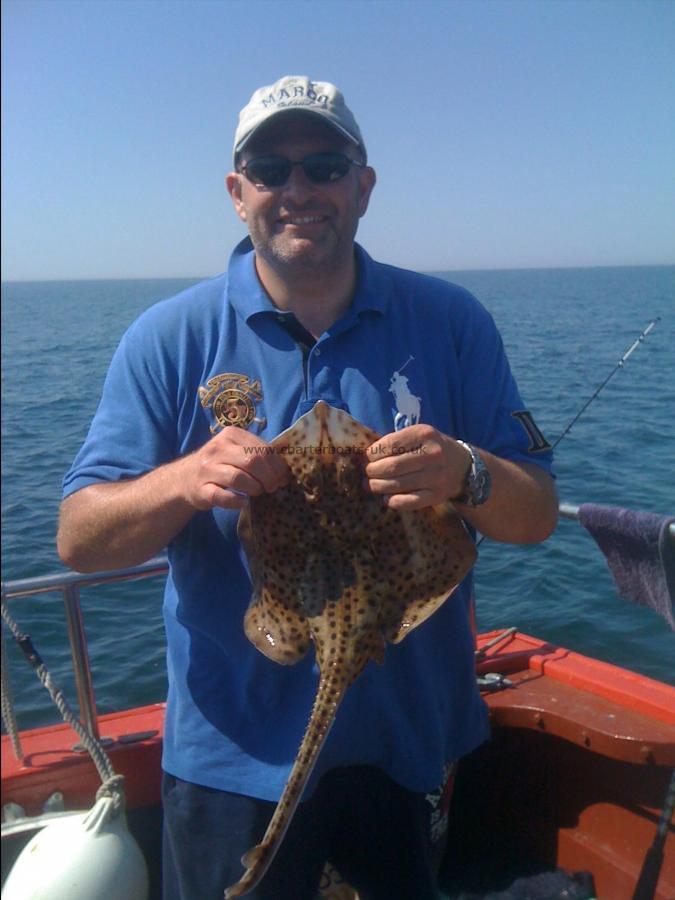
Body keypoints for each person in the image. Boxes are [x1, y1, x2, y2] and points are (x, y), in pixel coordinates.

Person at [57, 75, 558, 900]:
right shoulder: (167, 340)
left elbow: (535, 513)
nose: (297, 189)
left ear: (362, 186)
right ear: (236, 191)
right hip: (231, 754)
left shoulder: (451, 321)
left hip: (407, 741)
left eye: (324, 166)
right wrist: (186, 480)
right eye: (269, 169)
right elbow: (78, 538)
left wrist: (463, 471)